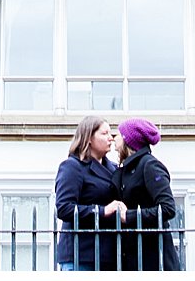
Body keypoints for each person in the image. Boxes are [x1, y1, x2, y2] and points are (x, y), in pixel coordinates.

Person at [54, 116, 125, 271]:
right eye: (104, 133)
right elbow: (64, 208)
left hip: (110, 255)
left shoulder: (114, 169)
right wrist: (102, 211)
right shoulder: (72, 167)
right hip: (81, 255)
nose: (111, 138)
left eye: (111, 133)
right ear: (89, 138)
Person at [114, 118, 182, 270]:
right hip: (135, 256)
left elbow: (167, 208)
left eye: (119, 134)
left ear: (128, 140)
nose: (114, 138)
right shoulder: (127, 168)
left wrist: (129, 216)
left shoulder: (149, 165)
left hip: (153, 258)